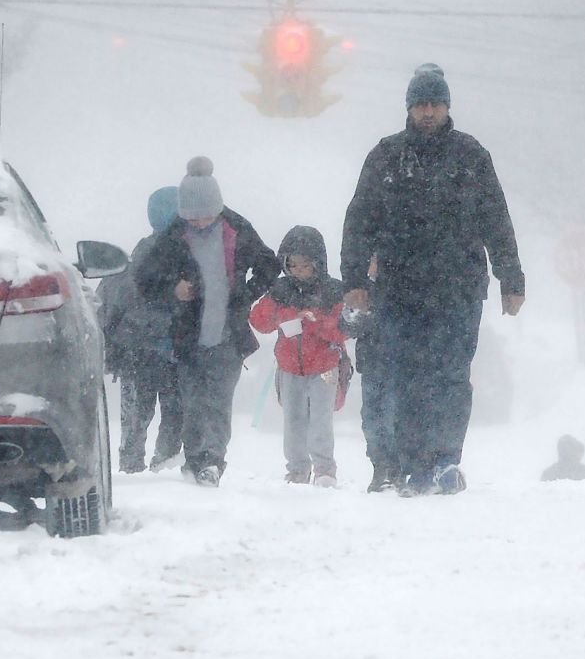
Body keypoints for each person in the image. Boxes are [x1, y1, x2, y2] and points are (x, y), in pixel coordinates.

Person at [340, 65, 526, 497]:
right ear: (409, 108)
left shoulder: (470, 156)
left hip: (458, 288)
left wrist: (510, 277)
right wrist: (355, 280)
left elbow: (496, 219)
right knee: (407, 377)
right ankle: (415, 466)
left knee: (451, 377)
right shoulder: (386, 157)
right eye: (421, 104)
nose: (427, 112)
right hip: (400, 289)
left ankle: (446, 459)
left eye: (435, 104)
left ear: (447, 107)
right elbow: (359, 220)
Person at [136, 157, 280, 487]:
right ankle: (194, 458)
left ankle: (213, 461)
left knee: (218, 402)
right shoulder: (173, 235)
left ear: (218, 206)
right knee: (192, 402)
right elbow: (144, 279)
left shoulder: (237, 228)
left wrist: (244, 294)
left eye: (205, 215)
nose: (199, 223)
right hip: (188, 336)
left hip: (228, 335)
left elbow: (269, 265)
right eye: (192, 216)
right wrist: (173, 287)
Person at [249, 226, 347, 488]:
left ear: (318, 263)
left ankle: (325, 469)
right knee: (293, 421)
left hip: (325, 367)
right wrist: (285, 317)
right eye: (292, 265)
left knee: (321, 420)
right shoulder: (280, 290)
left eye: (305, 265)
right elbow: (259, 320)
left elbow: (343, 329)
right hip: (289, 368)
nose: (298, 271)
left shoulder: (333, 291)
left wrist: (315, 323)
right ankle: (297, 470)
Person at [97, 185, 183, 473]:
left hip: (138, 353)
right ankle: (165, 464)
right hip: (172, 351)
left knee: (136, 415)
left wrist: (112, 350)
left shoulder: (134, 261)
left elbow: (112, 309)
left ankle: (132, 466)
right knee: (174, 414)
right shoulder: (187, 257)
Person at [341, 255, 396, 492]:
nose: (374, 265)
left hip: (397, 366)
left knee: (392, 415)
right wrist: (357, 314)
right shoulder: (361, 292)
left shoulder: (400, 289)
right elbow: (347, 326)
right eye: (371, 259)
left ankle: (395, 467)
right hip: (371, 365)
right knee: (372, 418)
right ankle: (380, 466)